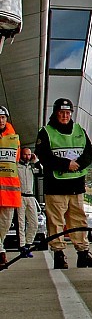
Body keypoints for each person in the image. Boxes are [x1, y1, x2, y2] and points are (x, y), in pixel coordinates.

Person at [35, 98, 92, 269]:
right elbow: (44, 156)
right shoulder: (46, 132)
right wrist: (66, 165)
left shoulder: (79, 130)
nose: (65, 116)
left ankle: (83, 253)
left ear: (71, 113)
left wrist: (78, 164)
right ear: (56, 113)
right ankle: (58, 254)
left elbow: (90, 152)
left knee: (79, 220)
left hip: (76, 185)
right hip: (56, 186)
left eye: (68, 113)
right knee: (56, 221)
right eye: (61, 113)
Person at [0, 106, 20, 268]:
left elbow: (16, 159)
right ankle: (0, 251)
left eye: (3, 117)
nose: (0, 120)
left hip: (9, 190)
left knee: (5, 224)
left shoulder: (13, 138)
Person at [17, 148, 41, 256]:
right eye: (25, 155)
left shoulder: (32, 167)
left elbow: (41, 172)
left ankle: (28, 244)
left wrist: (35, 161)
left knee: (34, 223)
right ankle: (22, 246)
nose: (27, 157)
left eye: (29, 155)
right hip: (20, 196)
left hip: (30, 196)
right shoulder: (16, 166)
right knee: (21, 223)